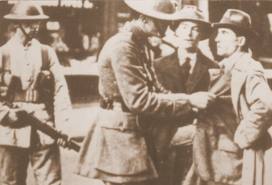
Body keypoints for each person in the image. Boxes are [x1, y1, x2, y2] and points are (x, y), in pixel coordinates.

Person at [75, 0, 215, 185]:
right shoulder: (124, 46)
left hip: (133, 128)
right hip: (120, 132)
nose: (167, 29)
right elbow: (139, 100)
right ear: (144, 19)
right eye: (162, 22)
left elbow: (157, 89)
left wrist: (192, 106)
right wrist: (190, 101)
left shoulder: (140, 45)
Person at [189, 9, 272, 185]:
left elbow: (266, 105)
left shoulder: (249, 68)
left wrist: (242, 138)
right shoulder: (225, 66)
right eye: (218, 33)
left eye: (224, 33)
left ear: (240, 41)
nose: (217, 38)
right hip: (215, 151)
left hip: (233, 157)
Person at [0, 2, 71, 185]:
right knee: (11, 181)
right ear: (18, 24)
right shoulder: (3, 54)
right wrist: (5, 115)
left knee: (51, 182)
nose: (35, 27)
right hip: (11, 129)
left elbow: (60, 91)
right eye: (30, 23)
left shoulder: (46, 53)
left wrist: (63, 127)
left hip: (43, 126)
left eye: (38, 23)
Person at [153, 5, 219, 185]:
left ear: (202, 34)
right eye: (183, 27)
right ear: (175, 31)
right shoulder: (158, 66)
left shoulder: (213, 68)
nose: (189, 34)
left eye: (195, 28)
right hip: (163, 143)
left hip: (197, 145)